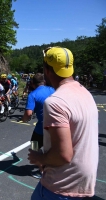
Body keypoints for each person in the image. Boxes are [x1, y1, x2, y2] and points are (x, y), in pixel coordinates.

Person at [28, 47, 99, 199]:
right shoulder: (85, 92)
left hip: (61, 185)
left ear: (47, 70)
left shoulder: (55, 102)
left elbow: (63, 155)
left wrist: (39, 158)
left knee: (34, 149)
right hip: (84, 184)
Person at [21, 73, 55, 179]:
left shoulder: (33, 95)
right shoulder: (52, 89)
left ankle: (42, 171)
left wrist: (24, 119)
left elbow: (28, 113)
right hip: (58, 126)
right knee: (52, 149)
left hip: (42, 128)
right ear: (43, 82)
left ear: (32, 83)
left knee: (34, 148)